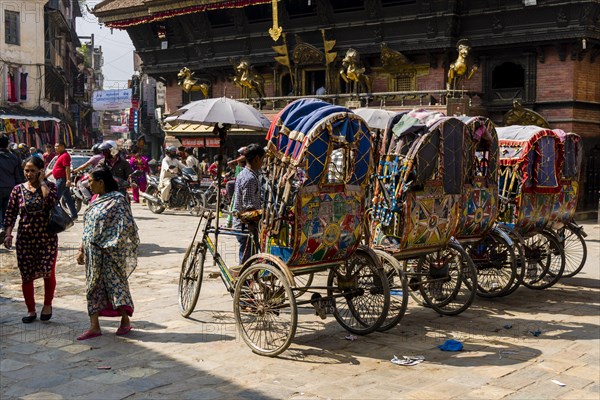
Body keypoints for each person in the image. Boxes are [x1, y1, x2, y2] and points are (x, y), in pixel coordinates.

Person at [76, 166, 139, 340]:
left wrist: (108, 245)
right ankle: (94, 326)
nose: (88, 185)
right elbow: (88, 226)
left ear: (101, 182)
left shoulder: (118, 200)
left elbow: (126, 225)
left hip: (109, 253)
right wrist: (82, 248)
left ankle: (125, 321)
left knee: (115, 287)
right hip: (92, 252)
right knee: (92, 288)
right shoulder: (94, 200)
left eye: (90, 181)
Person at [3, 156, 58, 323]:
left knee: (48, 272)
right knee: (26, 274)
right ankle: (31, 310)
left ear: (40, 171)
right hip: (25, 238)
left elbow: (50, 201)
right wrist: (8, 233)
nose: (29, 174)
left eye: (32, 170)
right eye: (26, 170)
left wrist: (42, 182)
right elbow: (11, 213)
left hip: (46, 237)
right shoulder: (17, 190)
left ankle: (47, 305)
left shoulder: (50, 187)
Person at [232, 143, 265, 263]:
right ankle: (244, 280)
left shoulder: (247, 174)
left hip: (246, 224)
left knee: (250, 257)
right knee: (247, 260)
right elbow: (249, 206)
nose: (263, 162)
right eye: (262, 159)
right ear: (256, 159)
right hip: (246, 225)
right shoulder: (249, 178)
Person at [0, 135, 23, 242]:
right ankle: (4, 230)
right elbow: (18, 175)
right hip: (10, 188)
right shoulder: (14, 157)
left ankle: (2, 229)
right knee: (7, 212)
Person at [52, 141, 78, 220]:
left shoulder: (65, 156)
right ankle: (74, 214)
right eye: (55, 146)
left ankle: (54, 215)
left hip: (62, 180)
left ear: (63, 146)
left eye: (58, 146)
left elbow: (67, 168)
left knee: (55, 197)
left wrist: (68, 180)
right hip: (60, 179)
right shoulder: (60, 155)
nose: (56, 148)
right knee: (68, 198)